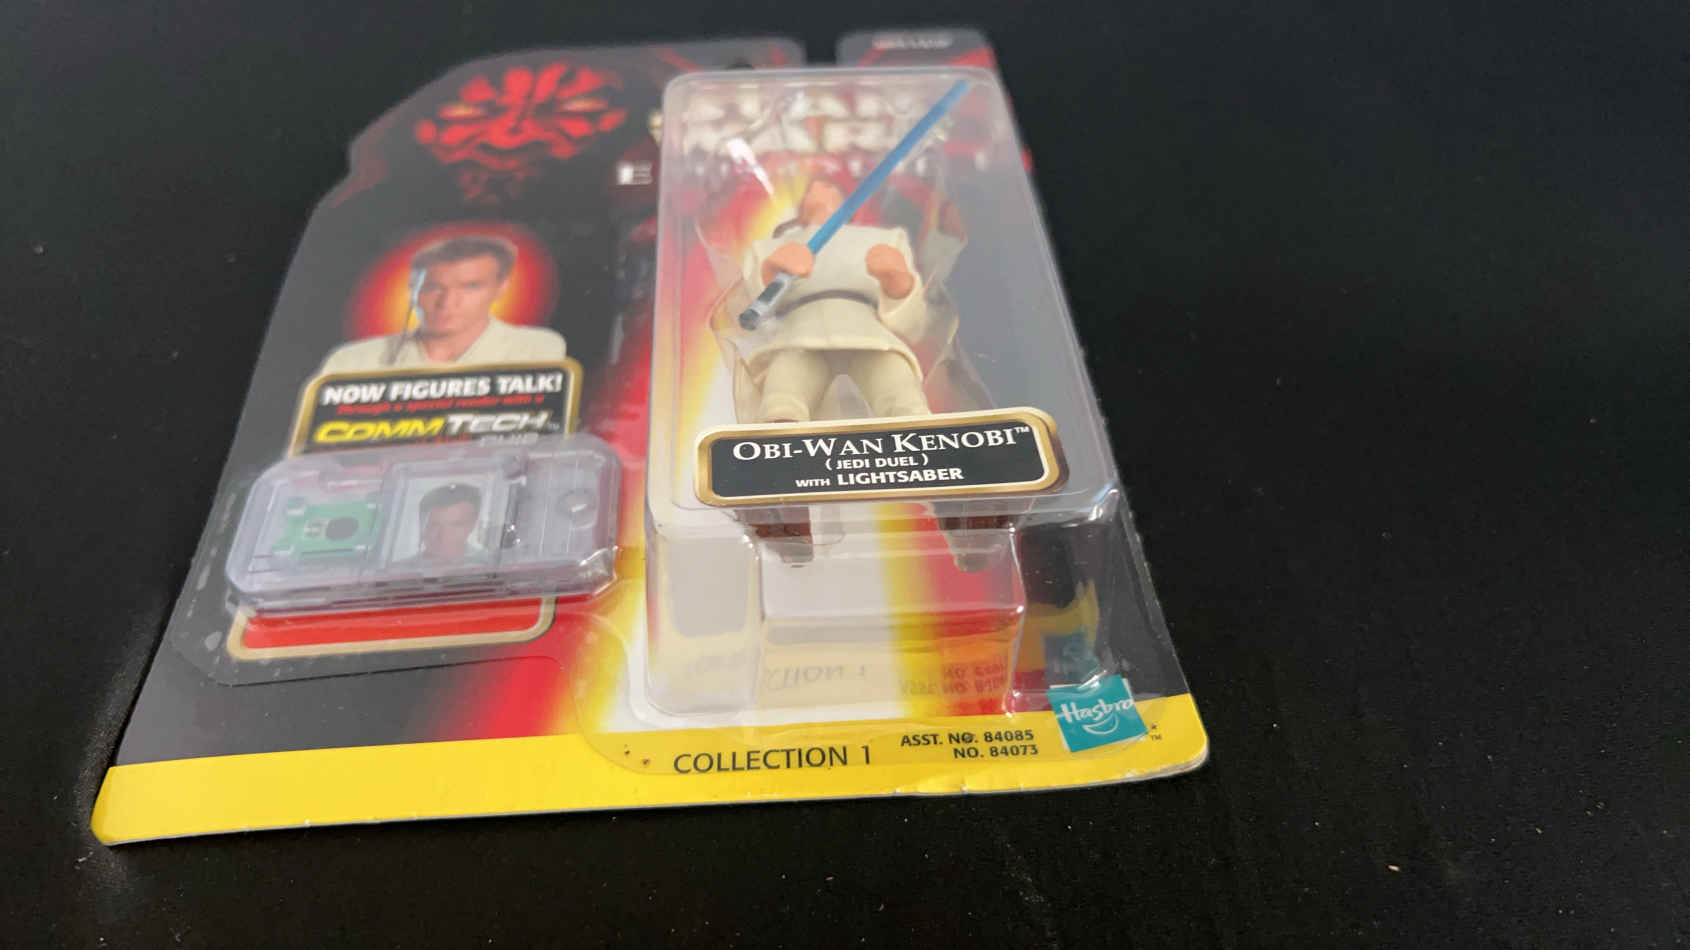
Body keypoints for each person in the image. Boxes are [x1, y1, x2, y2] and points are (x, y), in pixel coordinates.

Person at [738, 180, 932, 424]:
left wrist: (897, 280)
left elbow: (913, 323)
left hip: (867, 329)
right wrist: (771, 272)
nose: (817, 192)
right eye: (810, 189)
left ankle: (914, 424)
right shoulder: (769, 247)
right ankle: (781, 427)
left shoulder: (885, 239)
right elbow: (750, 312)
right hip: (800, 332)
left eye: (827, 187)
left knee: (896, 380)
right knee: (784, 386)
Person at [320, 235, 565, 372]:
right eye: (433, 287)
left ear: (501, 288)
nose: (447, 302)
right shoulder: (353, 361)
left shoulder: (535, 348)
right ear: (413, 291)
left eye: (470, 286)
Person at [400, 482, 485, 567]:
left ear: (472, 525)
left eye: (455, 525)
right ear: (422, 527)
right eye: (434, 525)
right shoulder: (401, 570)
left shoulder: (487, 566)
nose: (444, 536)